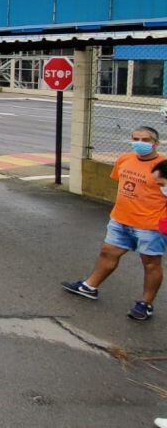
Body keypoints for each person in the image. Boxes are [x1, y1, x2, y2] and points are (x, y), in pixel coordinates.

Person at [63, 127, 167, 321]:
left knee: (151, 265)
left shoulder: (164, 165)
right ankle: (90, 287)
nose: (140, 142)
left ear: (155, 143)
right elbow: (120, 183)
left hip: (150, 226)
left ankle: (146, 303)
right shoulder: (125, 159)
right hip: (120, 220)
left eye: (145, 139)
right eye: (136, 139)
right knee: (107, 253)